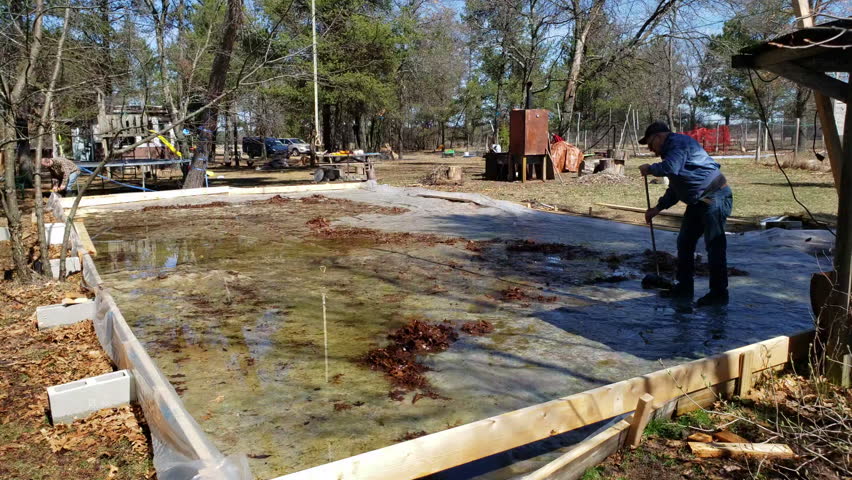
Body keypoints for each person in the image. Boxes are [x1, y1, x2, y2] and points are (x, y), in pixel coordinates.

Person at [637, 121, 733, 307]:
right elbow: (676, 188)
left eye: (650, 144)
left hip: (715, 197)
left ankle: (719, 294)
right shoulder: (671, 151)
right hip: (698, 202)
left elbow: (670, 168)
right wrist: (657, 209)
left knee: (714, 246)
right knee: (685, 242)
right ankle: (684, 287)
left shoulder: (679, 144)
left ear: (659, 137)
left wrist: (651, 169)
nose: (651, 149)